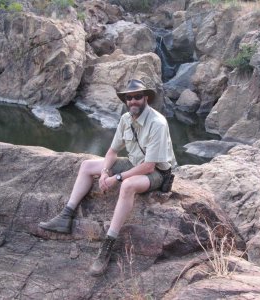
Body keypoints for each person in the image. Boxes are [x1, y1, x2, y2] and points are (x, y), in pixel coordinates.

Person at [38, 78, 177, 276]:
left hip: (157, 173)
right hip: (134, 163)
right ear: (126, 101)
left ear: (145, 98)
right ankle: (65, 216)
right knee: (87, 166)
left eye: (138, 97)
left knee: (127, 185)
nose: (133, 101)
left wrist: (116, 177)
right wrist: (104, 172)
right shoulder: (126, 120)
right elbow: (112, 152)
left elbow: (148, 166)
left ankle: (107, 245)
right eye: (129, 98)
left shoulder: (158, 123)